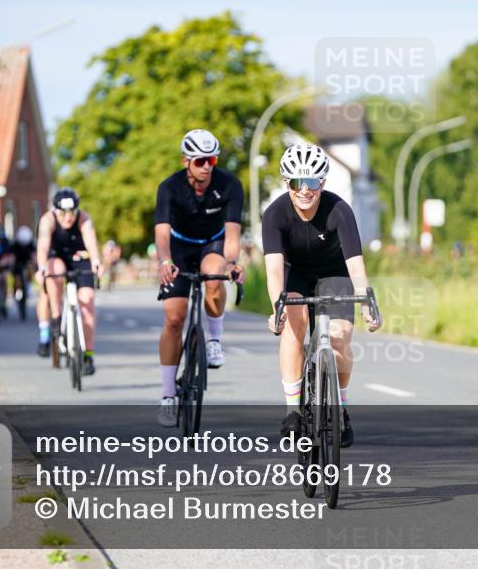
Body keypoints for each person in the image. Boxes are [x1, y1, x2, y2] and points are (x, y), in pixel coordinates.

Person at [263, 143, 382, 447]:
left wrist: (367, 300)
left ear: (323, 183)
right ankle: (292, 410)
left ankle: (340, 410)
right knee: (295, 324)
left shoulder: (339, 210)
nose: (305, 190)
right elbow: (275, 270)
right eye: (296, 183)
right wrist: (277, 306)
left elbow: (355, 263)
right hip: (296, 275)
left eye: (312, 182)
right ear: (286, 183)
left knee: (340, 340)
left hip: (334, 274)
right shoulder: (275, 214)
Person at [154, 129, 244, 427]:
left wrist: (231, 263)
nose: (207, 166)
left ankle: (215, 339)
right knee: (174, 318)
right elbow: (162, 233)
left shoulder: (229, 184)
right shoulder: (169, 187)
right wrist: (164, 261)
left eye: (212, 160)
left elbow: (232, 234)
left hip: (212, 243)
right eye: (201, 160)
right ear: (186, 161)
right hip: (178, 247)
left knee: (215, 275)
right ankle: (168, 395)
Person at [35, 188, 103, 374]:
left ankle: (88, 355)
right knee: (54, 270)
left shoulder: (84, 219)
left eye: (71, 212)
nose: (68, 218)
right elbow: (42, 246)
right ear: (56, 211)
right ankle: (56, 318)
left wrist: (96, 261)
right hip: (55, 258)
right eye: (63, 213)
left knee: (87, 302)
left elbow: (91, 243)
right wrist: (41, 267)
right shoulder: (47, 220)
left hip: (78, 258)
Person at [10, 225, 36, 308]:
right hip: (17, 263)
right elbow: (12, 257)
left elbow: (34, 255)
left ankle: (29, 286)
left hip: (27, 262)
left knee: (30, 268)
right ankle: (17, 291)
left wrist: (33, 263)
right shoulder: (15, 245)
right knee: (17, 278)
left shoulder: (31, 244)